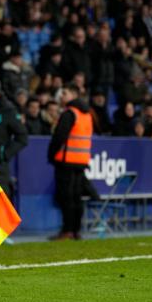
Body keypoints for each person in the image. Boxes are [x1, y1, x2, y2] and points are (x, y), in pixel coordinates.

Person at [47, 82, 93, 240]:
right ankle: (75, 231)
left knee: (66, 197)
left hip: (66, 162)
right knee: (76, 197)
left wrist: (51, 155)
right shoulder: (86, 114)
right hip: (81, 161)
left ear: (73, 95)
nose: (61, 95)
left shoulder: (69, 113)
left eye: (65, 93)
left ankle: (67, 230)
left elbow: (59, 137)